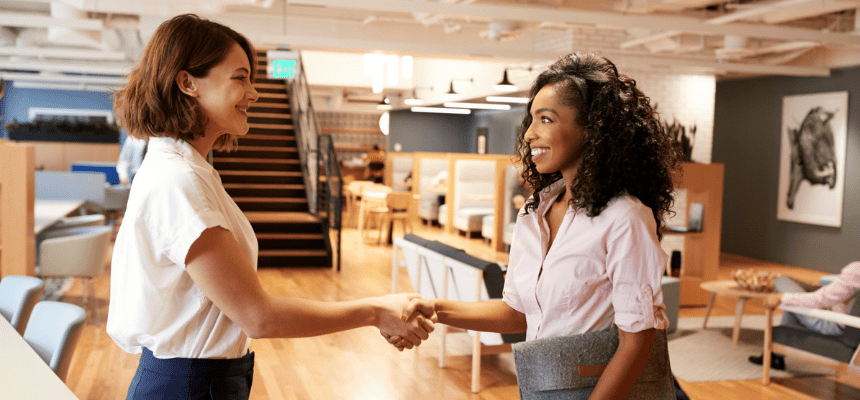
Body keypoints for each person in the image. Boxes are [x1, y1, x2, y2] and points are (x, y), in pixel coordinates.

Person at [106, 14, 435, 400]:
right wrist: (375, 310)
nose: (254, 92)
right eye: (240, 78)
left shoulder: (185, 169)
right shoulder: (179, 180)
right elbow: (257, 316)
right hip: (188, 386)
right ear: (187, 82)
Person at [391, 53, 681, 399]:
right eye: (531, 120)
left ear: (594, 130)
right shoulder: (534, 212)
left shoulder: (624, 218)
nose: (529, 134)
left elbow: (637, 340)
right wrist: (436, 309)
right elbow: (516, 313)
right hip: (543, 387)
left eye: (545, 119)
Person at [749, 261, 860, 370]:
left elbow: (820, 299)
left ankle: (775, 356)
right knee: (795, 296)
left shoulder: (856, 270)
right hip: (843, 319)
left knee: (781, 282)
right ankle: (775, 356)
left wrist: (781, 298)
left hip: (832, 323)